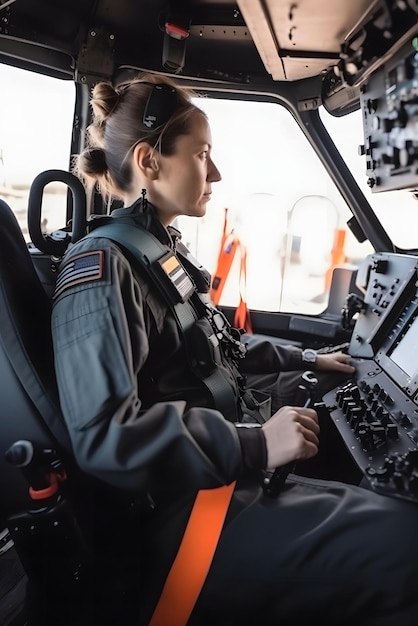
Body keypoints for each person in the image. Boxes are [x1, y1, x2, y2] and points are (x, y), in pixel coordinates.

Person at [51, 72, 418, 626]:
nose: (215, 173)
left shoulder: (154, 250)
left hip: (210, 473)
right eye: (202, 154)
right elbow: (105, 437)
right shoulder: (103, 268)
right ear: (150, 161)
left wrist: (308, 361)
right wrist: (252, 444)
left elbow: (217, 345)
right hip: (181, 516)